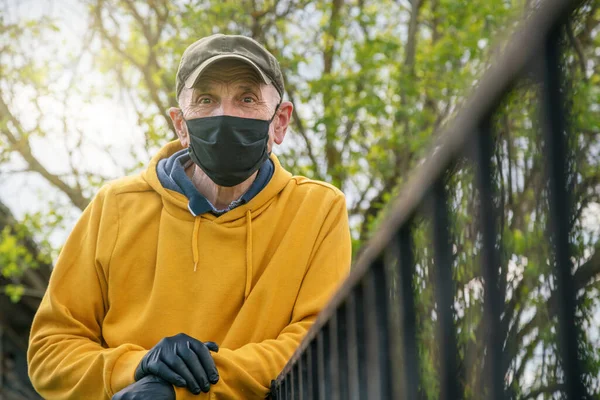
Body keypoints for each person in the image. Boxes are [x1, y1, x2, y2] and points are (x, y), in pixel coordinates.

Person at [27, 34, 352, 399]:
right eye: (206, 100)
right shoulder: (114, 206)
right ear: (181, 125)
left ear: (280, 121)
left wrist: (178, 389)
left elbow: (317, 341)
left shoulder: (318, 210)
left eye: (247, 99)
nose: (224, 116)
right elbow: (50, 350)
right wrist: (136, 367)